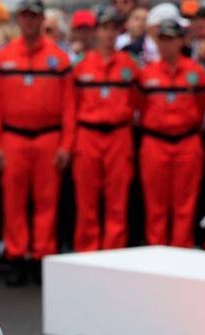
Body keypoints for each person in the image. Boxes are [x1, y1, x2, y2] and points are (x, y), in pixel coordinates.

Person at [0, 0, 73, 285]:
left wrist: (65, 145)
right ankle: (17, 255)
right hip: (13, 138)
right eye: (25, 16)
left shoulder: (59, 59)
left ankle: (40, 256)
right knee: (14, 201)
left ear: (42, 19)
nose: (30, 21)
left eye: (34, 16)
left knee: (47, 201)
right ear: (18, 20)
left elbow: (71, 107)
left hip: (48, 137)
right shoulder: (2, 58)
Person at [71, 7, 139, 253]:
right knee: (86, 201)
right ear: (97, 31)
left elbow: (137, 102)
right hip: (88, 135)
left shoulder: (130, 67)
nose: (109, 34)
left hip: (119, 136)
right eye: (105, 28)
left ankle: (114, 253)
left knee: (117, 201)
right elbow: (72, 106)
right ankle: (87, 253)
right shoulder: (81, 66)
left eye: (114, 28)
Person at [138, 19, 205, 248]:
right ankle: (155, 251)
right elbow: (139, 106)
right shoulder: (146, 74)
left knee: (185, 205)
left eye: (172, 39)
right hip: (155, 142)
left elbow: (201, 106)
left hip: (187, 142)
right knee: (155, 204)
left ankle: (181, 252)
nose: (167, 45)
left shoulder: (195, 73)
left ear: (181, 41)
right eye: (163, 39)